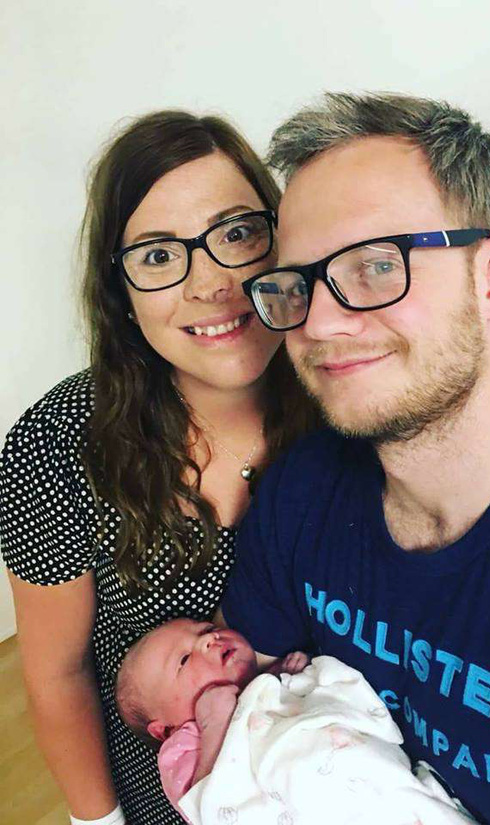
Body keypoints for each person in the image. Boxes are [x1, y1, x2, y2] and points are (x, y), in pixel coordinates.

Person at [222, 92, 490, 824]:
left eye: (374, 265)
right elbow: (247, 731)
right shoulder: (302, 489)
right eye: (295, 285)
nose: (318, 323)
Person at [0, 110, 317, 825]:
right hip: (165, 801)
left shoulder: (351, 405)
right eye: (157, 255)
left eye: (237, 233)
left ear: (283, 240)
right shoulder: (56, 444)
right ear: (121, 291)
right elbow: (57, 674)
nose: (212, 283)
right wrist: (99, 822)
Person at [115, 618, 474, 825]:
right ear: (165, 729)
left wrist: (287, 679)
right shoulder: (185, 746)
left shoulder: (267, 684)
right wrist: (214, 726)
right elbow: (209, 808)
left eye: (205, 627)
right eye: (183, 660)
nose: (208, 639)